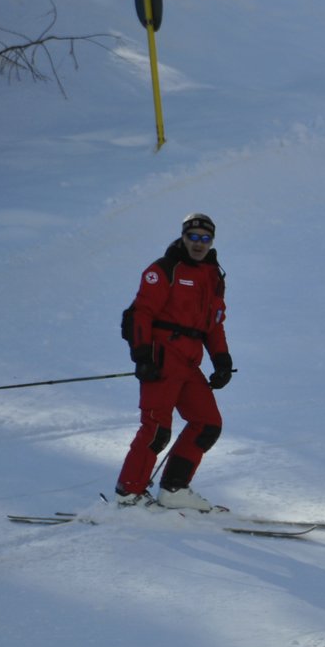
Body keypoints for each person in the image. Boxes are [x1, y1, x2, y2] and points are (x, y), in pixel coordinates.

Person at [114, 213, 233, 511]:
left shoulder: (213, 275)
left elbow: (214, 324)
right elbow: (140, 313)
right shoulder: (164, 270)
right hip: (162, 359)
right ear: (183, 237)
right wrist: (142, 356)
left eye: (205, 238)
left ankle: (174, 489)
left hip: (189, 363)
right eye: (193, 237)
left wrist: (221, 359)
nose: (199, 243)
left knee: (207, 424)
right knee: (156, 429)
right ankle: (129, 494)